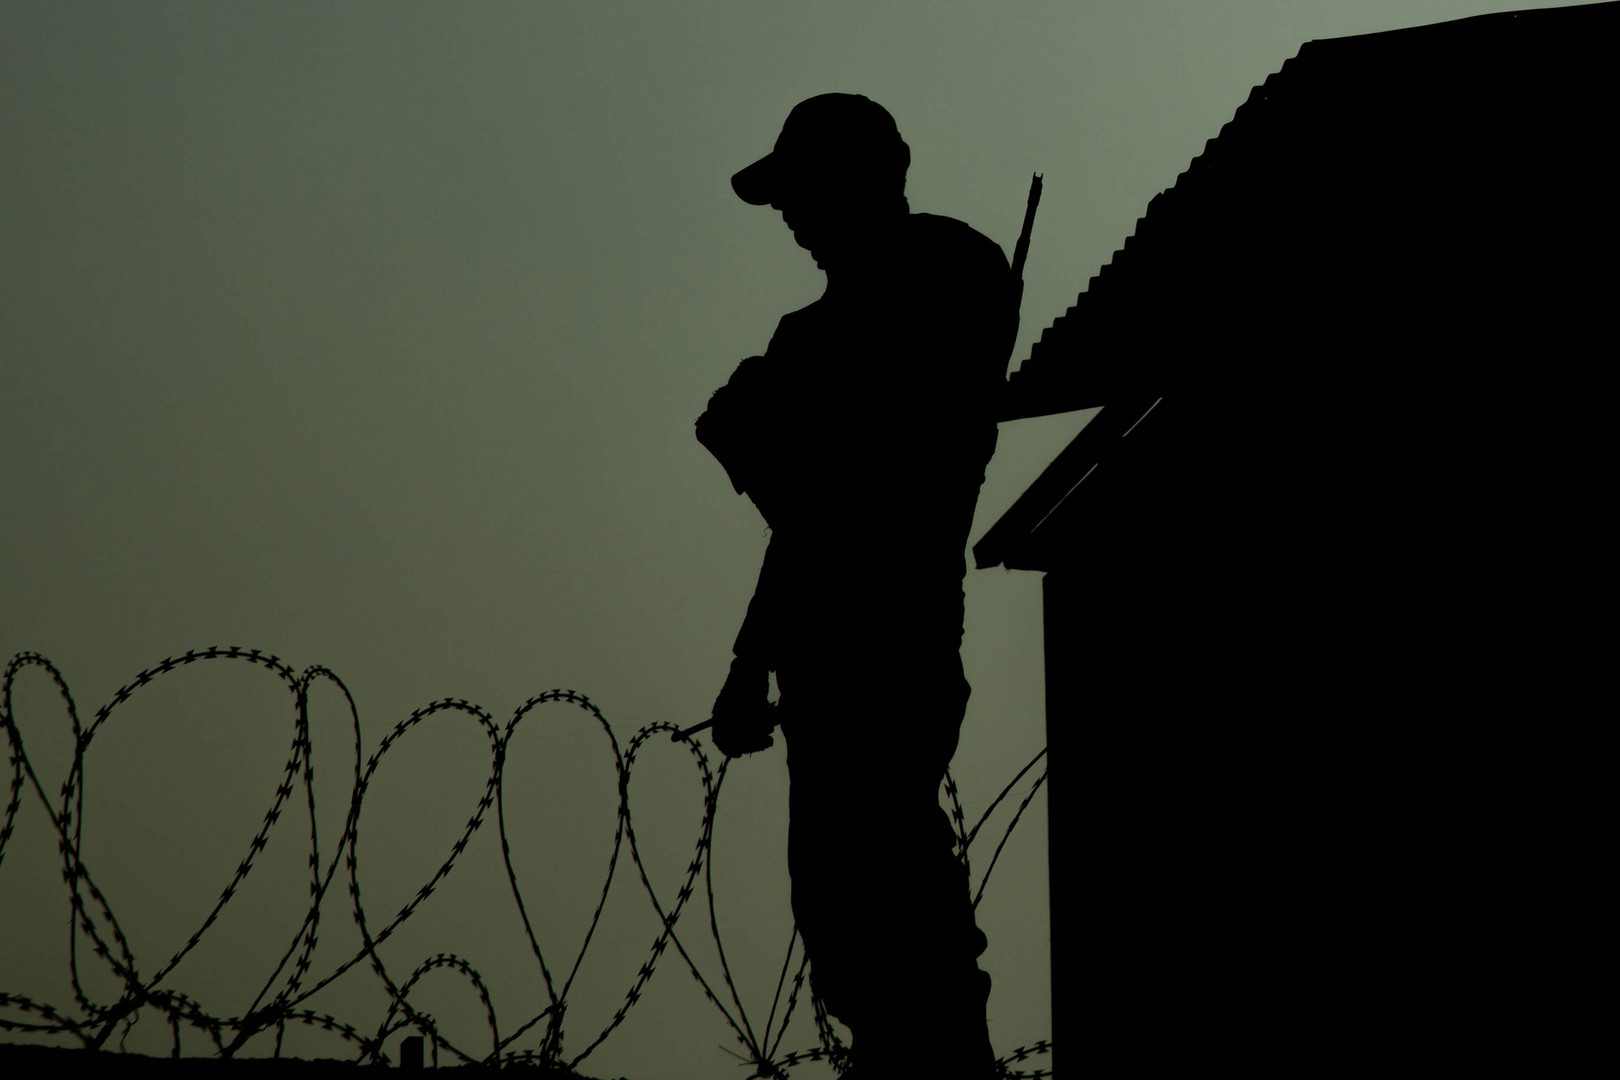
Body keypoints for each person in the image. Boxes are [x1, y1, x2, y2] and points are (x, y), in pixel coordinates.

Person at [696, 93, 1018, 1079]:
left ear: (865, 181)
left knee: (894, 899)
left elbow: (862, 494)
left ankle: (945, 1068)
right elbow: (810, 526)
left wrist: (762, 431)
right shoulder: (824, 331)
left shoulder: (943, 275)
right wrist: (752, 662)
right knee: (842, 913)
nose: (791, 217)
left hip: (893, 637)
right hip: (825, 652)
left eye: (804, 192)